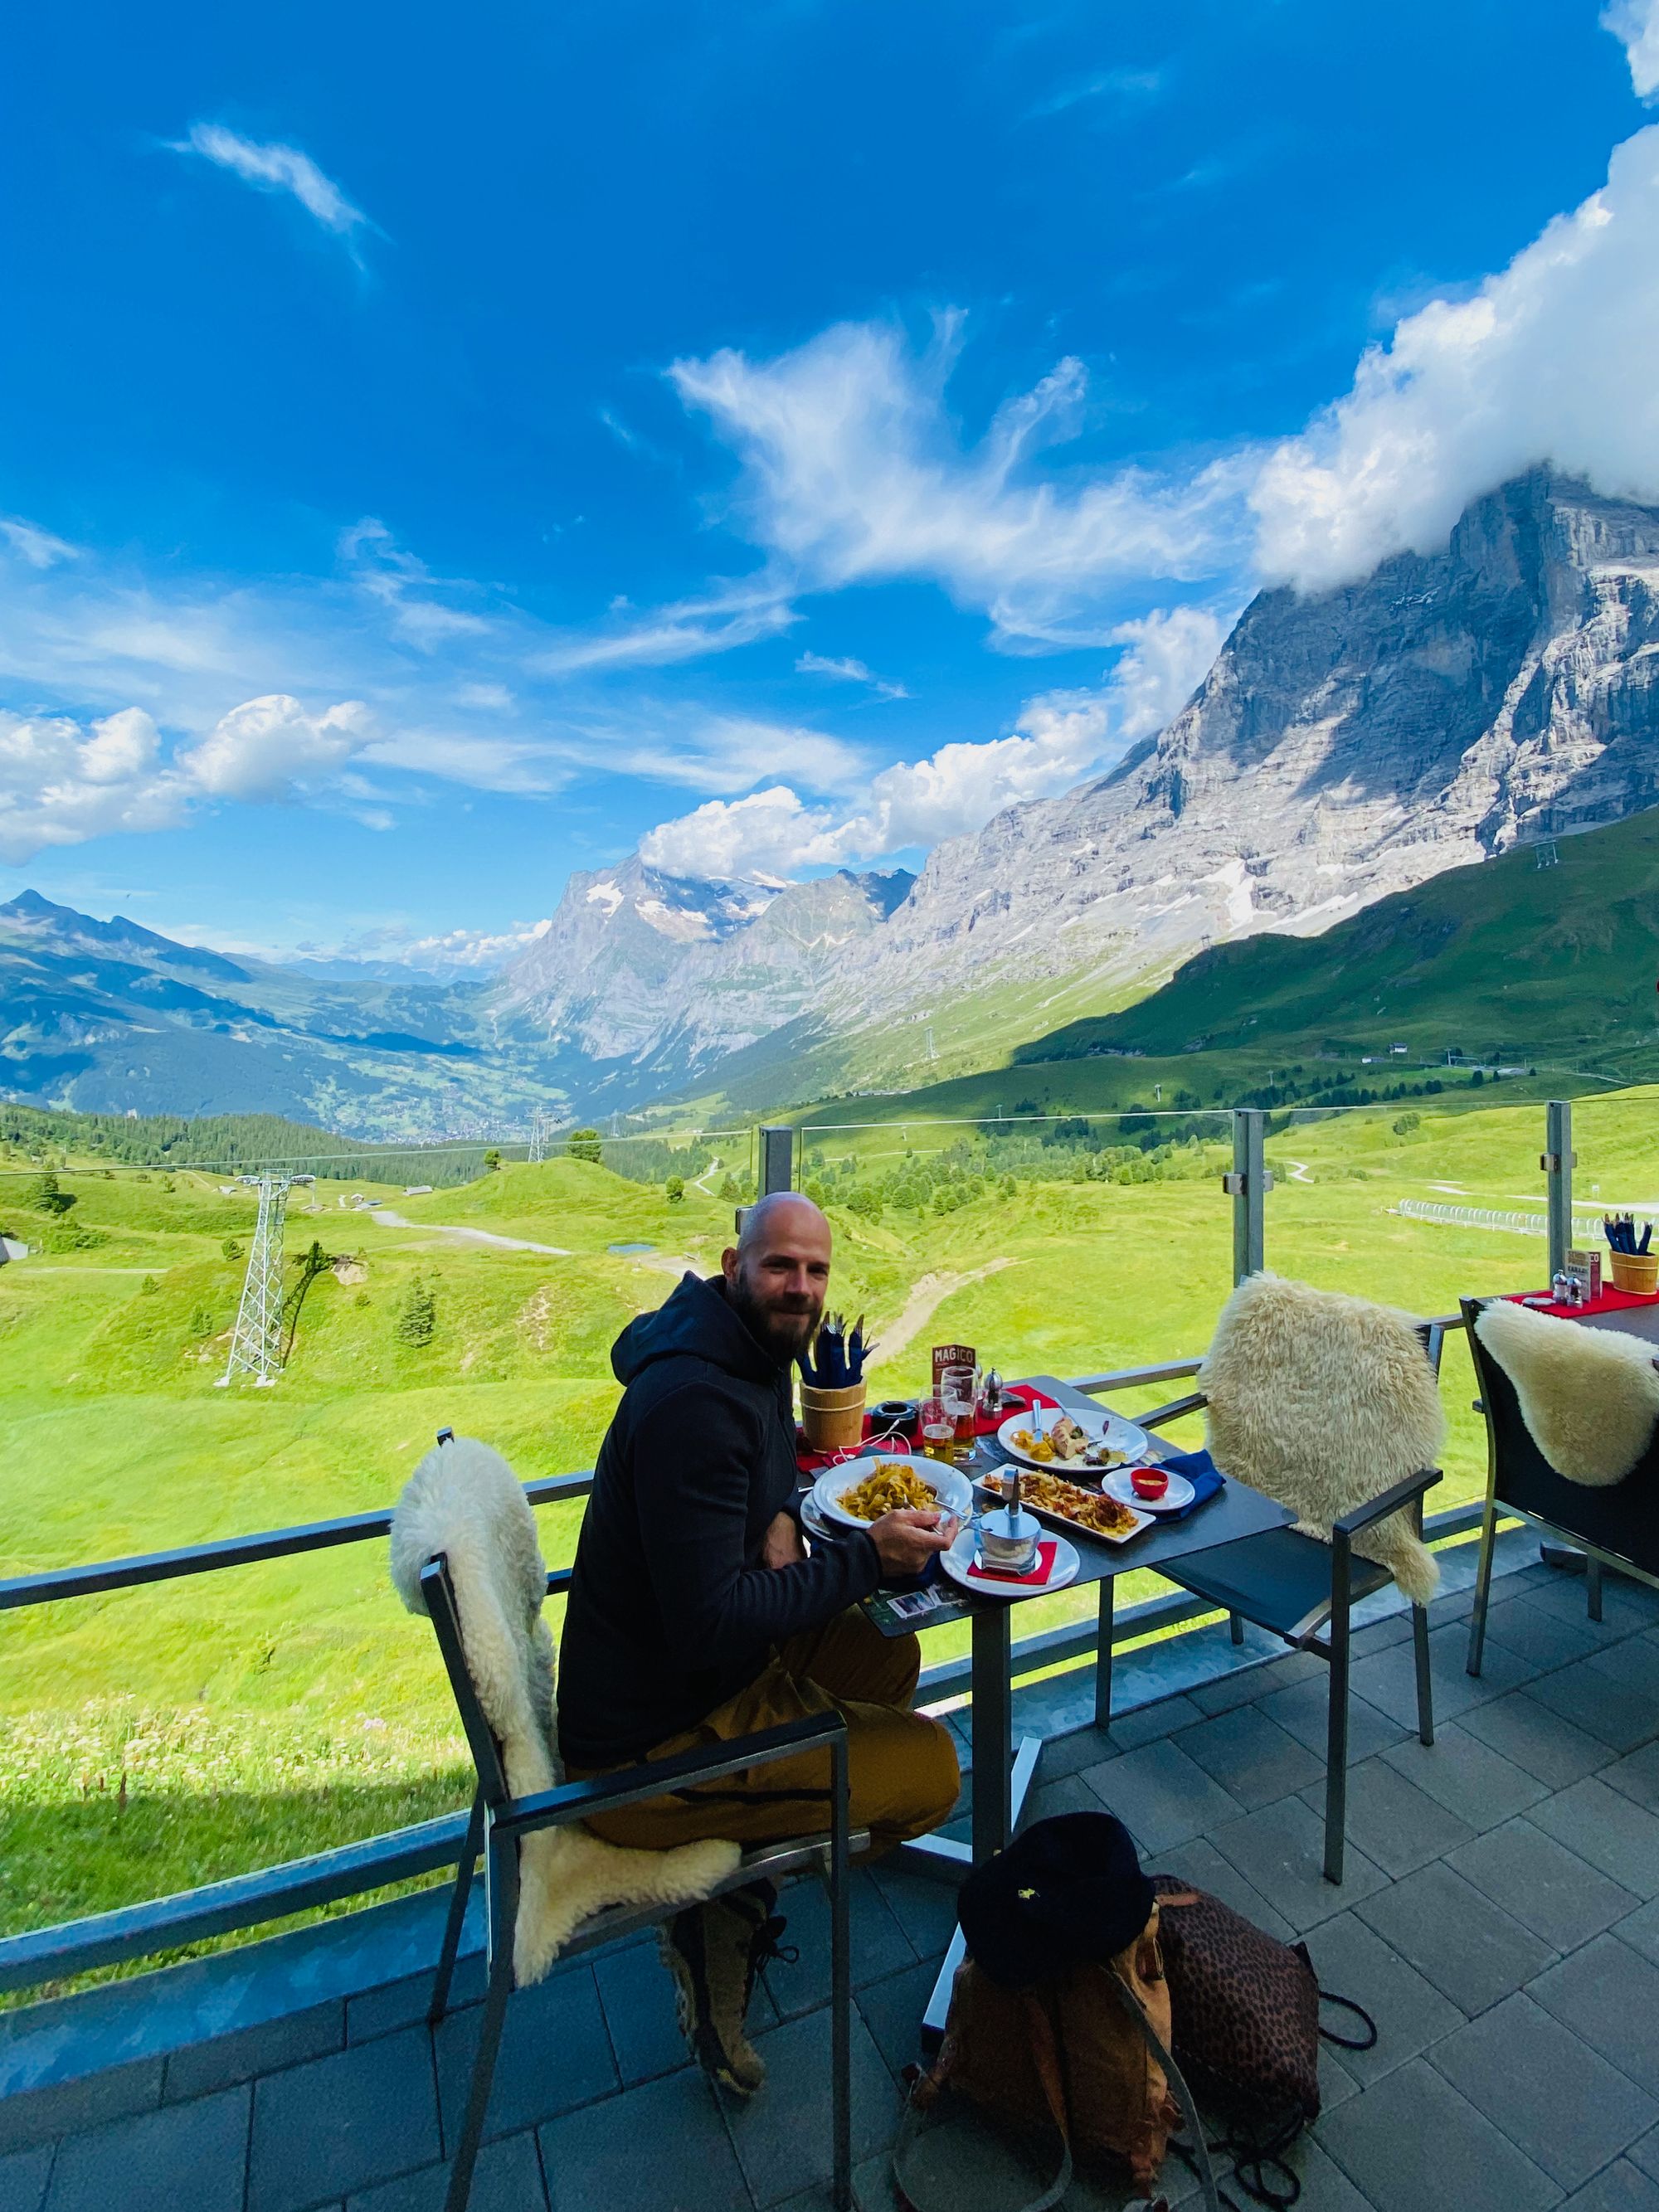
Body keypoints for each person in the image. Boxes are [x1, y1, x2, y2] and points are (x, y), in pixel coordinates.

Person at [558, 1191, 961, 2094]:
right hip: (646, 1749)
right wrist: (866, 1559)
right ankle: (729, 1905)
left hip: (695, 1674)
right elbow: (707, 1621)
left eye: (816, 1271)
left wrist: (782, 1510)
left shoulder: (743, 1348)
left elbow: (770, 1458)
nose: (801, 1289)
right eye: (780, 1265)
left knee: (889, 1654)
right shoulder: (690, 1404)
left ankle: (737, 1886)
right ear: (733, 1264)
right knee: (931, 1775)